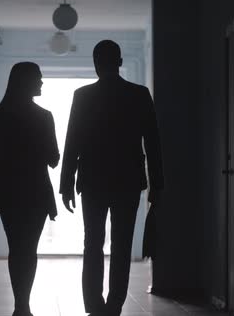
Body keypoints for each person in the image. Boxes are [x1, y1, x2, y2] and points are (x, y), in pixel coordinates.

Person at [59, 40, 164, 316]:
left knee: (92, 242)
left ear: (96, 63)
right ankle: (114, 305)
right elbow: (153, 143)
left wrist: (66, 183)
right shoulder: (139, 95)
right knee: (122, 243)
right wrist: (157, 185)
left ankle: (94, 306)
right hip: (128, 180)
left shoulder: (83, 96)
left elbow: (73, 142)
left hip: (92, 179)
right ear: (119, 62)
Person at [0, 62, 59, 316]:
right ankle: (24, 305)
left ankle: (19, 304)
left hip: (10, 193)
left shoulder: (2, 114)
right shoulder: (44, 116)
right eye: (39, 78)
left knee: (16, 248)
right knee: (29, 249)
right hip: (36, 192)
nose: (42, 82)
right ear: (27, 81)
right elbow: (53, 159)